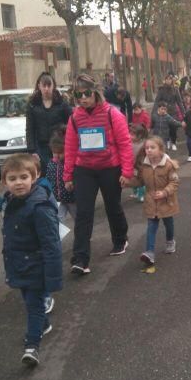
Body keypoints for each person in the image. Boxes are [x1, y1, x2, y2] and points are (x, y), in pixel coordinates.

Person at [0, 154, 62, 366]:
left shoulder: (40, 207)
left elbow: (51, 244)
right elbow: (6, 207)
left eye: (24, 177)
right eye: (13, 178)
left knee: (34, 304)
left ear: (35, 176)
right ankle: (43, 324)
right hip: (18, 262)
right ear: (4, 182)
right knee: (28, 300)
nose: (19, 183)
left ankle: (32, 345)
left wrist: (53, 278)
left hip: (36, 265)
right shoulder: (10, 199)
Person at [63, 74, 135, 274]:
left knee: (113, 207)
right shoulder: (74, 118)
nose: (83, 98)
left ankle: (120, 239)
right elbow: (70, 148)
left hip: (109, 168)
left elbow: (124, 144)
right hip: (84, 170)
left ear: (96, 93)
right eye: (79, 95)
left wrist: (127, 171)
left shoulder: (113, 114)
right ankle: (80, 259)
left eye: (87, 93)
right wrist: (68, 175)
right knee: (84, 213)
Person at [125, 135, 179, 274]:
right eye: (147, 148)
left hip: (166, 201)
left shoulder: (169, 165)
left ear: (161, 149)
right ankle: (149, 252)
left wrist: (165, 192)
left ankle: (170, 241)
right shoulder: (144, 166)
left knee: (168, 223)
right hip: (151, 202)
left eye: (152, 147)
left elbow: (174, 182)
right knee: (151, 227)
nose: (149, 150)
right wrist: (128, 182)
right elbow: (140, 181)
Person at [26, 72, 72, 175]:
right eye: (44, 85)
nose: (46, 89)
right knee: (43, 176)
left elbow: (72, 123)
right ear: (39, 86)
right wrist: (32, 150)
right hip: (40, 147)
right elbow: (30, 128)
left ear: (53, 86)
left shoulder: (62, 103)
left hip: (59, 146)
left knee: (59, 175)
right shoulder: (33, 104)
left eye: (49, 85)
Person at [46, 127, 77, 224]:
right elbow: (48, 178)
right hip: (57, 199)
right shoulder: (51, 163)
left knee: (79, 219)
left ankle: (84, 237)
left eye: (60, 153)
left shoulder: (72, 163)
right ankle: (57, 238)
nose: (56, 155)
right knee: (57, 220)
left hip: (72, 199)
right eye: (54, 152)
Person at [154, 74, 185, 151]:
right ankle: (167, 141)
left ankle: (173, 142)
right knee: (166, 127)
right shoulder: (161, 90)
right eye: (167, 79)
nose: (168, 81)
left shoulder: (175, 89)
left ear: (172, 80)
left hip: (173, 111)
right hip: (164, 110)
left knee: (173, 127)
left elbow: (179, 102)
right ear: (165, 80)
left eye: (170, 79)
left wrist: (183, 112)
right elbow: (157, 101)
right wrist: (155, 112)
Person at [129, 123, 148, 203]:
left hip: (140, 166)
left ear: (140, 136)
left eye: (132, 134)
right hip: (131, 165)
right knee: (132, 179)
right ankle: (135, 192)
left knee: (140, 181)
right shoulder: (128, 143)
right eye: (129, 133)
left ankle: (141, 195)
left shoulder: (144, 144)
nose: (130, 136)